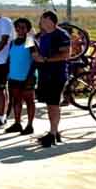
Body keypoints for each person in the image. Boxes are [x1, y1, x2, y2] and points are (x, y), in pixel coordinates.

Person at [33, 11, 71, 148]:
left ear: (50, 20)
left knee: (54, 104)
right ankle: (54, 131)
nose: (41, 22)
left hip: (57, 75)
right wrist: (36, 56)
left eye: (43, 19)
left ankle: (52, 134)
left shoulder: (61, 34)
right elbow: (34, 49)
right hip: (45, 75)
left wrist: (46, 59)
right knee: (50, 104)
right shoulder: (43, 35)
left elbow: (66, 54)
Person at [5, 18, 37, 135]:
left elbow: (35, 61)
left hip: (27, 77)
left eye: (23, 27)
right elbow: (10, 59)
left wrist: (30, 77)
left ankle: (29, 125)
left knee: (29, 102)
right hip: (13, 77)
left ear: (28, 29)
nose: (20, 30)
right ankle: (17, 123)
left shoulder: (29, 41)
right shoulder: (12, 43)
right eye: (18, 27)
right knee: (16, 101)